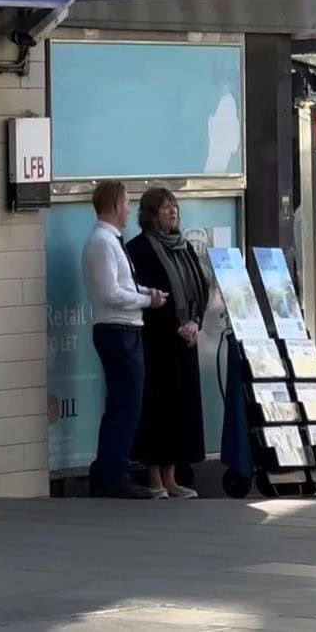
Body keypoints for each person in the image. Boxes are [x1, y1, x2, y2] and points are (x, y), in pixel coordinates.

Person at [82, 180, 168, 499]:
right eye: (127, 203)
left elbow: (124, 284)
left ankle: (112, 469)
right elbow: (110, 293)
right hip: (117, 331)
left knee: (124, 403)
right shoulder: (102, 243)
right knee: (125, 405)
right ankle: (111, 475)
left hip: (125, 329)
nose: (130, 209)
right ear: (115, 205)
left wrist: (147, 293)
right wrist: (147, 302)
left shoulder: (112, 242)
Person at [127, 186, 211, 500]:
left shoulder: (184, 246)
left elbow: (200, 286)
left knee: (181, 409)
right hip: (157, 340)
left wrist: (195, 322)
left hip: (186, 340)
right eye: (164, 208)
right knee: (157, 407)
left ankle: (172, 477)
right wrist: (175, 326)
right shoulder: (140, 249)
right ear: (150, 214)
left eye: (174, 206)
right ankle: (154, 478)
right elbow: (145, 292)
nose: (172, 212)